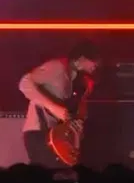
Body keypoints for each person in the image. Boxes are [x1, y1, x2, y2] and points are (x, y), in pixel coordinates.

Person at [17, 40, 101, 169]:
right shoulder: (57, 67)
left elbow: (72, 111)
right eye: (94, 60)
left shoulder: (81, 82)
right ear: (81, 58)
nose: (97, 64)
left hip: (59, 136)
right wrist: (53, 107)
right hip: (39, 131)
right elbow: (24, 83)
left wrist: (76, 122)